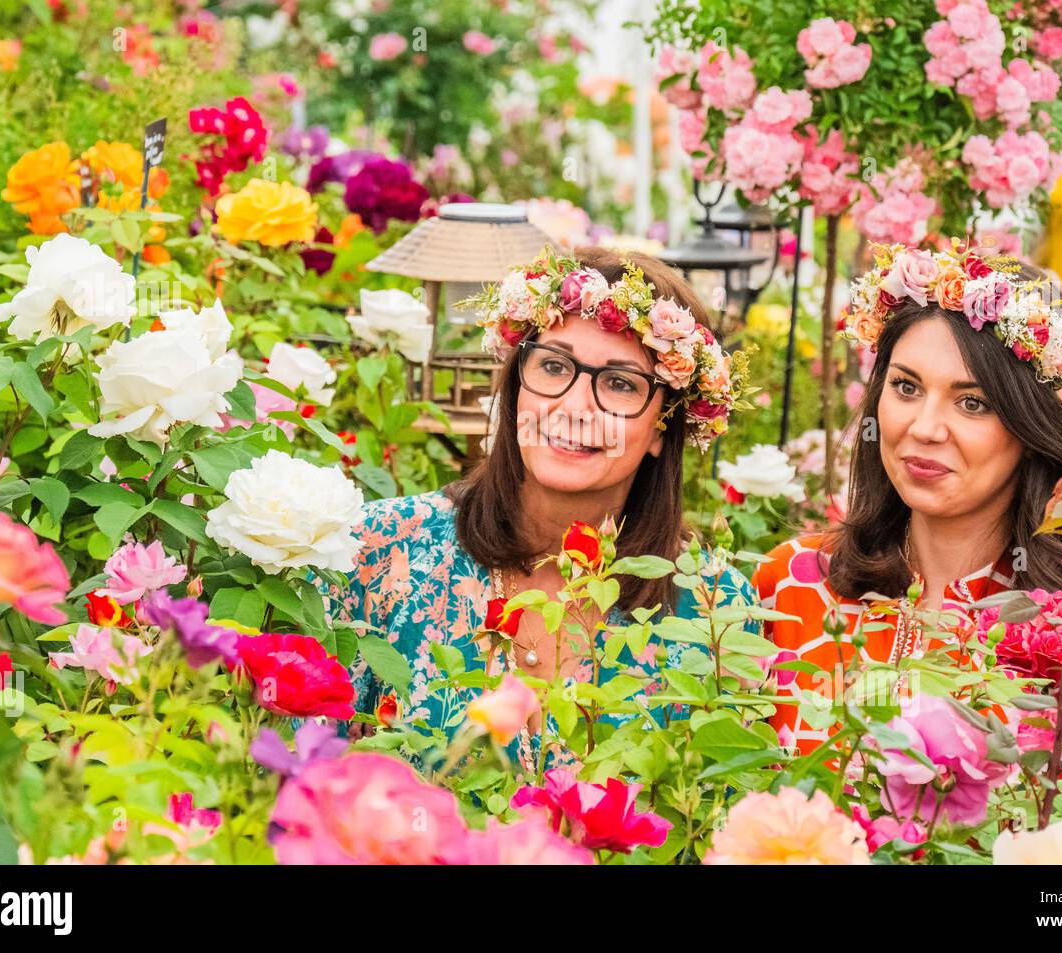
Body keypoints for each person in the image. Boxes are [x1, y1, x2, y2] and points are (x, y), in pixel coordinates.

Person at [318, 247, 755, 770]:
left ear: (663, 427)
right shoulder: (380, 549)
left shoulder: (715, 607)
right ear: (516, 385)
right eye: (553, 366)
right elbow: (301, 778)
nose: (574, 407)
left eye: (619, 383)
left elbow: (722, 822)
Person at [755, 241, 1062, 753]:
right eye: (906, 387)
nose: (925, 428)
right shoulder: (794, 585)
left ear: (1033, 430)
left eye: (972, 402)